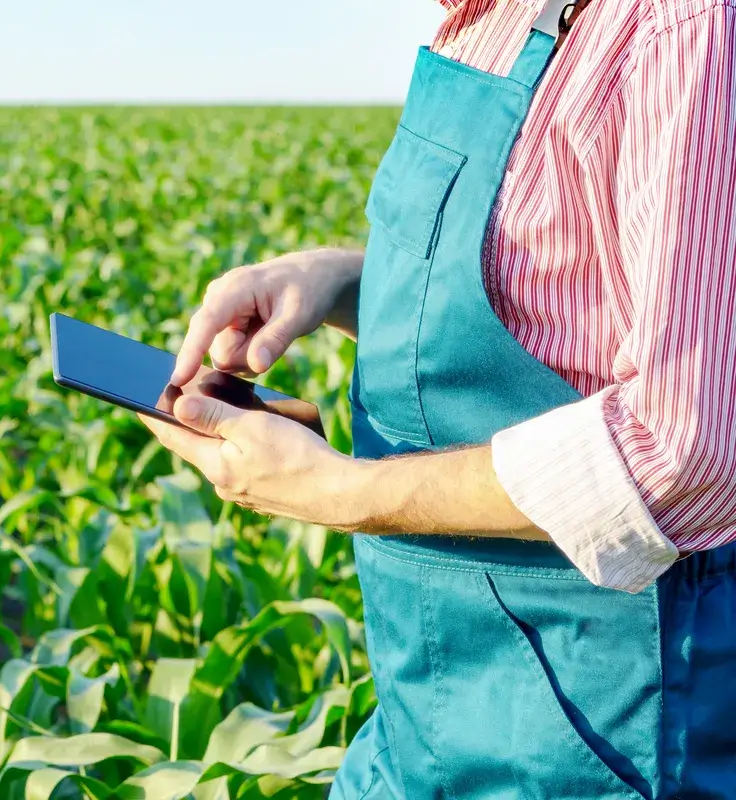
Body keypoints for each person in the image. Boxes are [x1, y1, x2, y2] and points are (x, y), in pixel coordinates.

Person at [140, 0, 736, 796]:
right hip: (427, 697)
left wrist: (341, 493)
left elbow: (685, 450)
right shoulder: (487, 18)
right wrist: (346, 281)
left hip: (600, 725)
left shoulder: (683, 29)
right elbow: (555, 296)